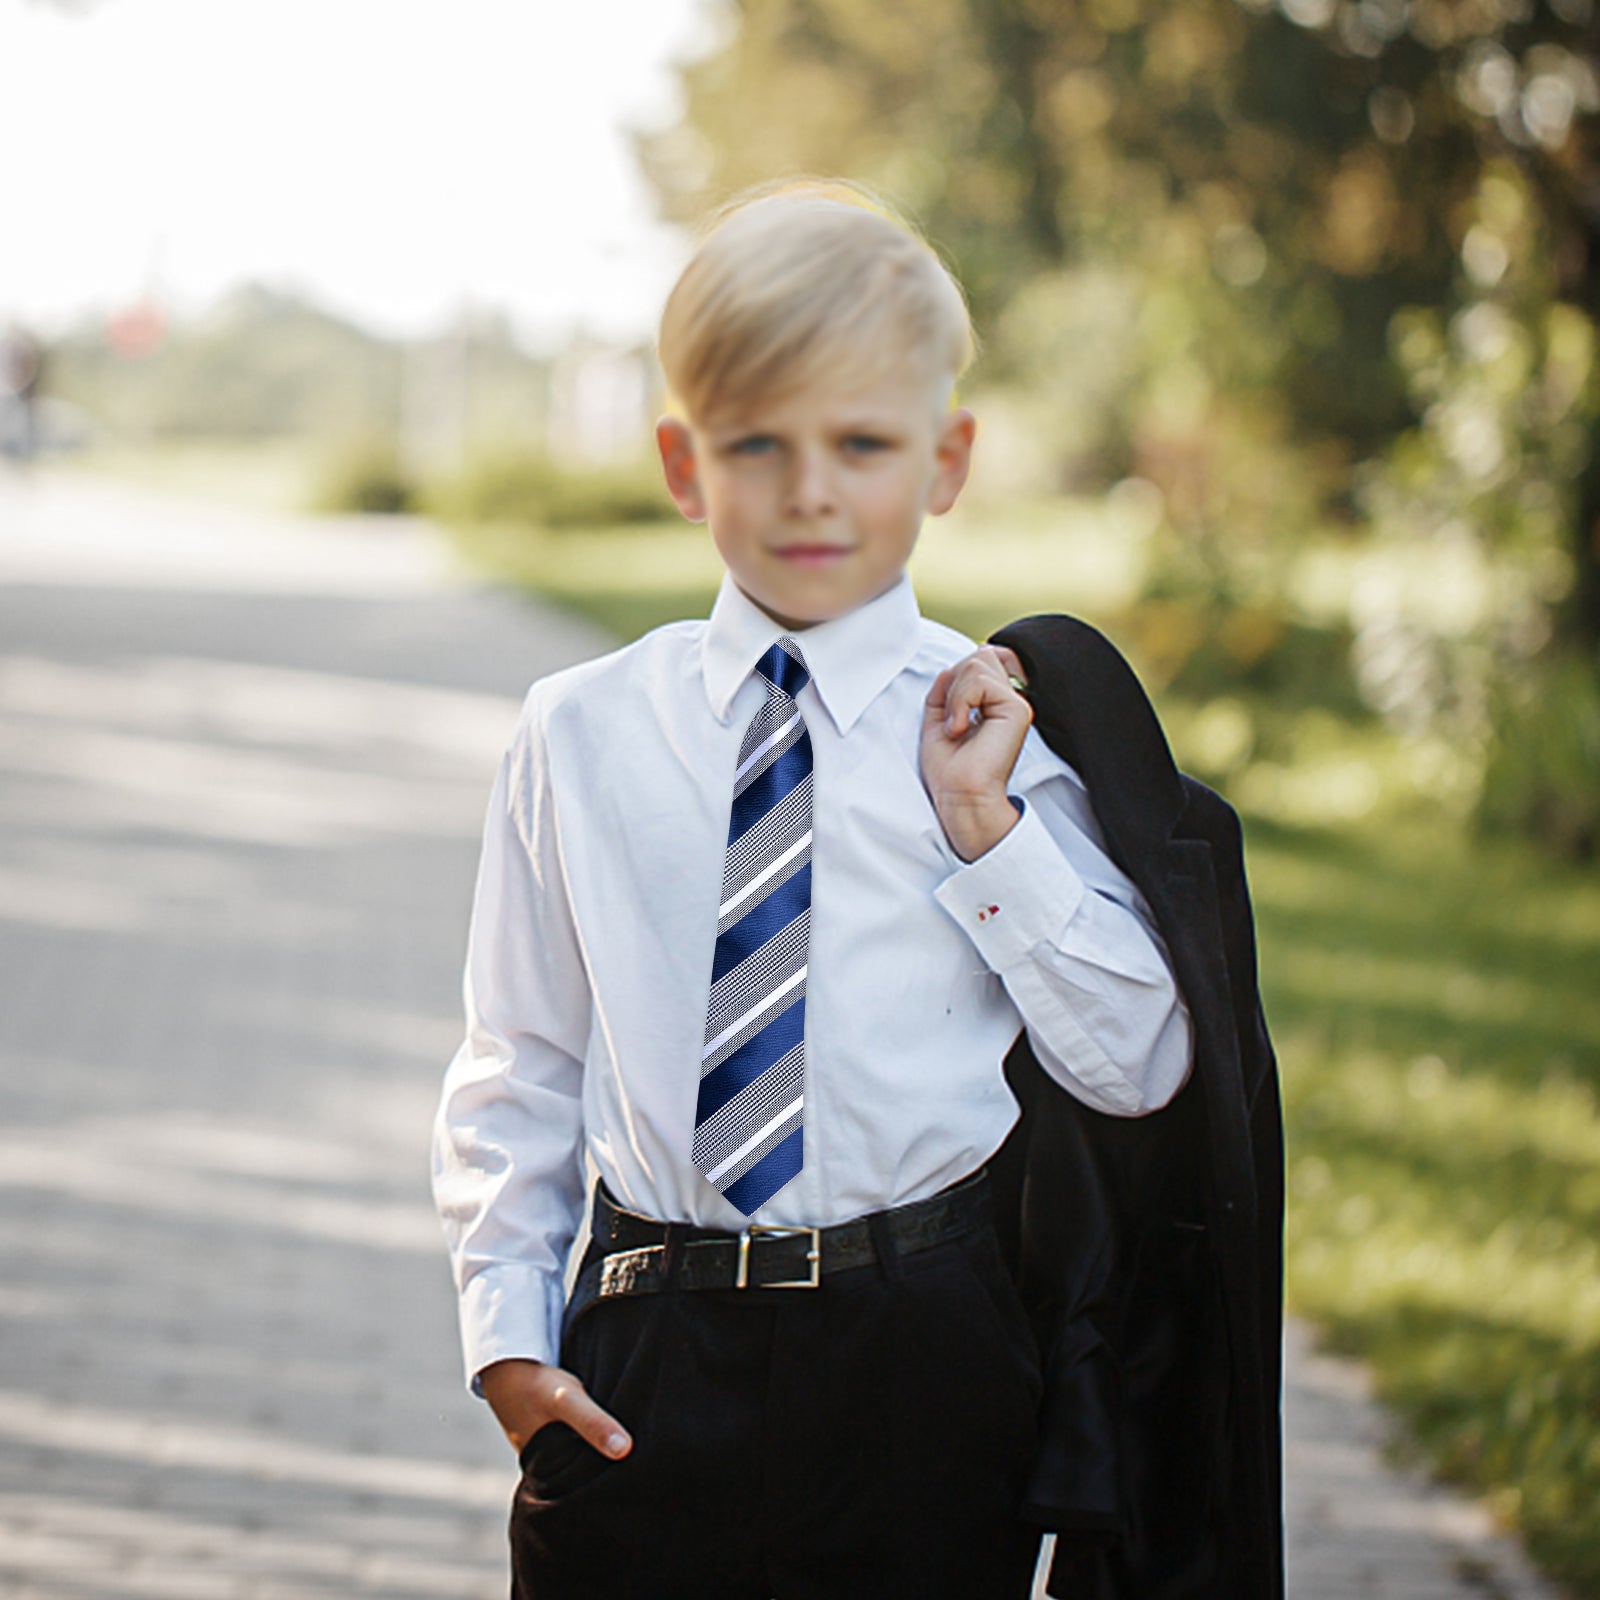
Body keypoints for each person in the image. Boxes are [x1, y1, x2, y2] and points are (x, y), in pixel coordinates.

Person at [430, 178, 1195, 1600]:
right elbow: (520, 1056)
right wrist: (508, 1340)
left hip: (924, 1356)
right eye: (757, 443)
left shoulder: (995, 735)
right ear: (681, 462)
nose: (810, 489)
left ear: (945, 458)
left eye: (862, 441)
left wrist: (988, 836)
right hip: (646, 1352)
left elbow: (1143, 1064)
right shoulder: (579, 732)